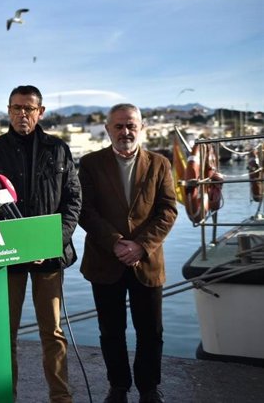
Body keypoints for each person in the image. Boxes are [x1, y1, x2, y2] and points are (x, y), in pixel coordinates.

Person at [0, 85, 81, 403]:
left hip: (49, 259)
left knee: (54, 334)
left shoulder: (59, 149)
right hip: (8, 259)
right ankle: (7, 396)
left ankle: (61, 397)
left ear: (41, 112)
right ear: (8, 110)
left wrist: (51, 243)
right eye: (17, 108)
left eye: (29, 108)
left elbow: (73, 201)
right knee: (5, 336)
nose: (23, 113)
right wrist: (17, 244)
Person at [78, 104, 177, 403]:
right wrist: (116, 242)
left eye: (131, 125)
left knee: (151, 332)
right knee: (111, 330)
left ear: (142, 128)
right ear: (108, 129)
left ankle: (149, 388)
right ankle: (118, 386)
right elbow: (85, 210)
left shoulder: (160, 164)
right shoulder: (90, 164)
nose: (125, 132)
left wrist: (141, 246)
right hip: (105, 260)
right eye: (119, 126)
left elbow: (168, 211)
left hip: (146, 262)